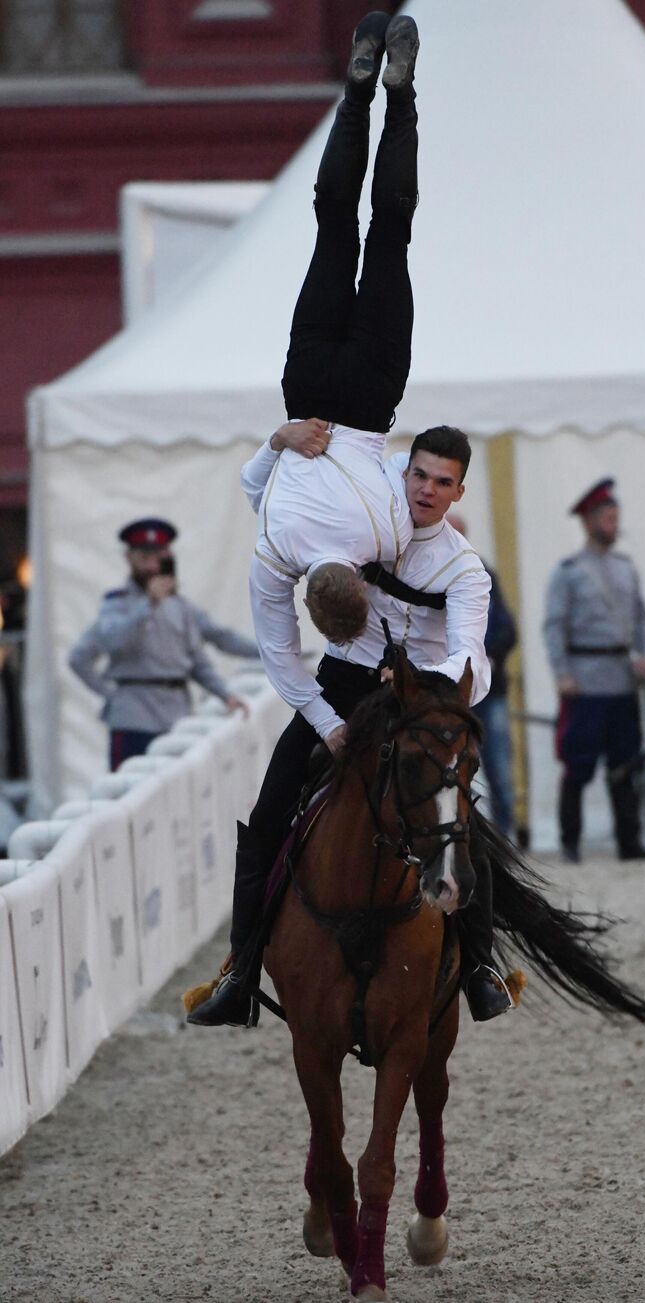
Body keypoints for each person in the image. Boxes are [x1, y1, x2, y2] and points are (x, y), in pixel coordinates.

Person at [189, 423, 514, 1027]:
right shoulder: (365, 499)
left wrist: (422, 681)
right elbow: (264, 497)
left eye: (443, 482)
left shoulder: (466, 570)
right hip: (340, 683)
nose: (426, 490)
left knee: (464, 823)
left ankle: (479, 968)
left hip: (417, 698)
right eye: (419, 474)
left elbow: (474, 658)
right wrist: (277, 442)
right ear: (402, 468)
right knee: (266, 817)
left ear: (458, 494)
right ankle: (239, 970)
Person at [245, 10, 420, 753]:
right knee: (333, 224)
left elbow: (411, 483)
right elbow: (252, 487)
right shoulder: (274, 549)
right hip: (307, 394)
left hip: (372, 393)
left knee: (389, 227)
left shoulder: (384, 538)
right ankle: (355, 101)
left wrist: (333, 720)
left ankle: (399, 100)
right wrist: (277, 441)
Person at [69, 518, 247, 769]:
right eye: (145, 557)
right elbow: (109, 644)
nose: (152, 566)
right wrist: (110, 694)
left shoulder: (179, 606)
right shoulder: (116, 604)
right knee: (131, 793)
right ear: (130, 558)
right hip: (134, 718)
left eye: (158, 557)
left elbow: (197, 658)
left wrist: (225, 694)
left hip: (177, 716)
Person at [543, 479, 645, 863]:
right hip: (586, 681)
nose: (613, 524)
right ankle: (570, 843)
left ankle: (630, 842)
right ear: (589, 521)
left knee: (626, 764)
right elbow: (554, 626)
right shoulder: (569, 572)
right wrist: (563, 674)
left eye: (615, 517)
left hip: (623, 679)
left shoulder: (627, 568)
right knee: (579, 765)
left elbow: (642, 619)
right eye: (607, 517)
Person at [448, 514, 518, 838]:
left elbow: (508, 630)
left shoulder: (484, 574)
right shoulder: (426, 576)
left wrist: (482, 654)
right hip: (449, 692)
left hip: (487, 690)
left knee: (498, 768)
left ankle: (505, 835)